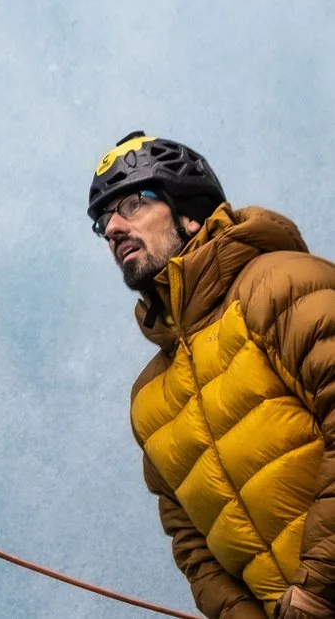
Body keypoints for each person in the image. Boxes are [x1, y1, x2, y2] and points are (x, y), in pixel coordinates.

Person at [90, 132, 335, 619]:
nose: (113, 227)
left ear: (190, 213)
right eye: (103, 221)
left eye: (133, 204)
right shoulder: (149, 402)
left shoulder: (283, 286)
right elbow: (194, 550)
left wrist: (315, 592)